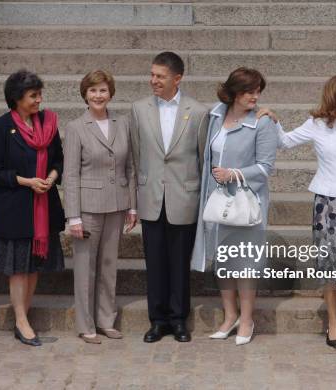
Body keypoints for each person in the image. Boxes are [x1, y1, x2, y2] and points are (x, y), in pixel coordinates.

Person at [265, 74, 336, 349]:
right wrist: (273, 119)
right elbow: (284, 141)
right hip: (326, 204)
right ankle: (332, 321)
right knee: (329, 265)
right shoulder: (316, 124)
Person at [191, 67, 278, 346]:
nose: (255, 96)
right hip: (217, 201)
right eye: (249, 91)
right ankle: (230, 317)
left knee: (245, 264)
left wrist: (234, 173)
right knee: (224, 262)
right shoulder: (216, 116)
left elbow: (266, 168)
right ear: (234, 93)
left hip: (246, 202)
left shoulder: (262, 123)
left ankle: (247, 319)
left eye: (258, 91)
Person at [130, 51, 209, 343]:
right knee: (155, 263)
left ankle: (178, 320)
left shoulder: (199, 112)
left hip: (184, 198)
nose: (153, 81)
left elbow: (202, 159)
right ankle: (157, 320)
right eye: (152, 75)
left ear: (178, 78)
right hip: (151, 197)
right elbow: (137, 156)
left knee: (179, 263)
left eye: (160, 76)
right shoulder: (138, 109)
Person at [0, 70, 65, 347]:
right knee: (19, 267)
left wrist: (51, 179)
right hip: (15, 207)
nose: (39, 100)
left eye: (40, 94)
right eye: (33, 96)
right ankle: (20, 320)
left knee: (33, 267)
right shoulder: (0, 127)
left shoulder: (49, 123)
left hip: (43, 205)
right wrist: (26, 181)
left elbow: (59, 160)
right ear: (17, 98)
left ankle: (24, 316)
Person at [63, 70, 137, 344]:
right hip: (88, 208)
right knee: (85, 269)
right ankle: (86, 324)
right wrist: (73, 216)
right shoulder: (75, 128)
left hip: (117, 204)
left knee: (109, 266)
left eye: (103, 90)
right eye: (93, 91)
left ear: (111, 93)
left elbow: (129, 166)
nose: (98, 95)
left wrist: (131, 205)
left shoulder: (122, 123)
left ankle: (106, 320)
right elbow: (70, 174)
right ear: (85, 94)